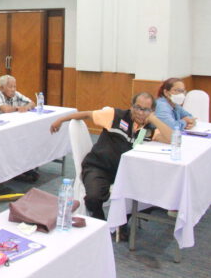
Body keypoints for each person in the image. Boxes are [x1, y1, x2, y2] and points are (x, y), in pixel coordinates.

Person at [49, 92, 172, 221]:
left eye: (146, 110)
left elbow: (172, 139)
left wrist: (153, 119)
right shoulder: (115, 115)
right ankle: (101, 221)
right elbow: (87, 114)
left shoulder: (150, 129)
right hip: (99, 166)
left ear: (152, 111)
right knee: (93, 197)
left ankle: (123, 222)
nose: (140, 113)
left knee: (150, 194)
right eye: (137, 107)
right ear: (131, 106)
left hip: (127, 172)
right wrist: (60, 120)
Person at [0, 75, 38, 184]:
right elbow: (5, 109)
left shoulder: (16, 94)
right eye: (10, 87)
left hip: (7, 127)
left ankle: (19, 169)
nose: (13, 89)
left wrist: (26, 107)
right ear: (2, 88)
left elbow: (32, 103)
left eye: (15, 86)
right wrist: (18, 108)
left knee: (23, 138)